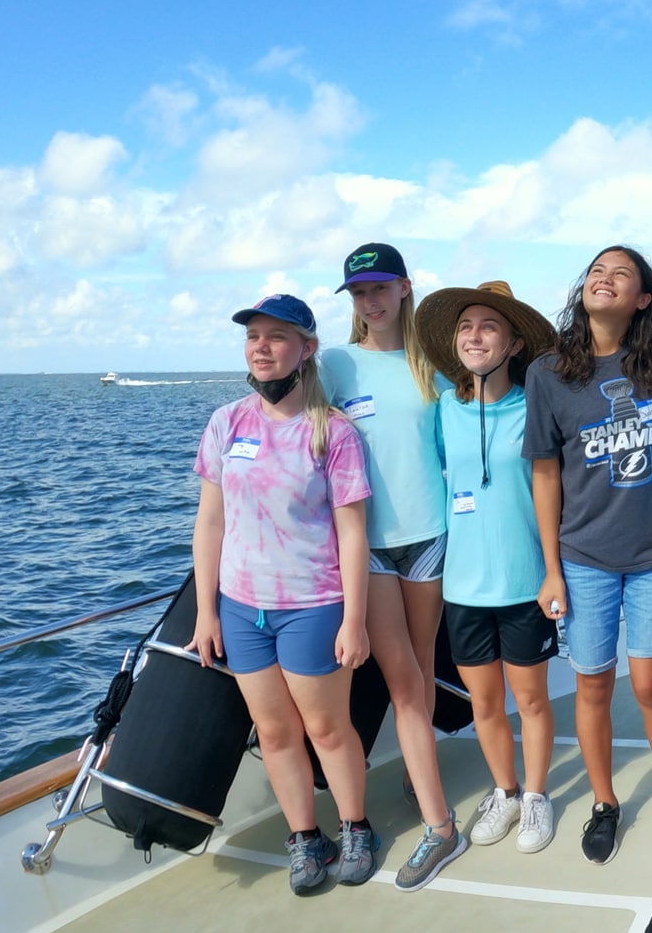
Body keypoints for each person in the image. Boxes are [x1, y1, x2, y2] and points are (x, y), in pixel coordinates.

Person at [188, 293, 377, 894]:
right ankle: (304, 837)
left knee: (327, 729)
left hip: (314, 606)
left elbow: (353, 532)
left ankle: (354, 827)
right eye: (253, 338)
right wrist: (205, 610)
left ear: (306, 348)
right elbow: (210, 522)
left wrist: (355, 619)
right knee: (273, 733)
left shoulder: (333, 431)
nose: (261, 348)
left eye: (275, 337)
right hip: (243, 608)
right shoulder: (227, 423)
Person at [523, 246, 652, 865]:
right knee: (592, 687)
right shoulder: (548, 373)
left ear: (643, 299)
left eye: (621, 274)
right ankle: (604, 802)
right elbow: (545, 474)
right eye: (597, 270)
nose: (605, 278)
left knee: (651, 683)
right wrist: (550, 567)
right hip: (583, 559)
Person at [317, 243, 465, 891]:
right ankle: (440, 825)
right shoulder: (334, 365)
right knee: (403, 678)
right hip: (366, 545)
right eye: (359, 293)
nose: (371, 301)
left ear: (405, 288)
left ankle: (416, 767)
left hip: (431, 532)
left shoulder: (431, 359)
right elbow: (299, 436)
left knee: (424, 666)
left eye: (380, 288)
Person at [414, 281, 561, 856]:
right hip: (463, 585)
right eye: (466, 327)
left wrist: (554, 571)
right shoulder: (442, 410)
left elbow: (554, 489)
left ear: (514, 341)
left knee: (532, 702)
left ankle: (538, 797)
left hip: (526, 580)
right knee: (483, 705)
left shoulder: (535, 406)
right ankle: (505, 790)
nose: (475, 336)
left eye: (489, 326)